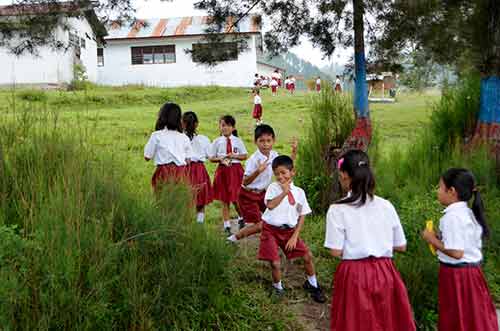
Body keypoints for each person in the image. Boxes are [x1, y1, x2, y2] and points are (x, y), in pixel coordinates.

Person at [325, 150, 416, 331]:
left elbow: (335, 251)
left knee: (355, 323)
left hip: (354, 274)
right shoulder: (386, 205)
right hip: (385, 271)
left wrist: (358, 247)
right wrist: (377, 242)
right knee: (386, 321)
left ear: (344, 175)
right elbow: (401, 245)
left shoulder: (337, 209)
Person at [422, 168, 498, 331]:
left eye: (440, 187)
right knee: (474, 318)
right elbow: (460, 244)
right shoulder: (467, 213)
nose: (438, 191)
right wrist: (440, 238)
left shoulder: (452, 217)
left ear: (452, 191)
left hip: (459, 277)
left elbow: (457, 252)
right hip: (471, 273)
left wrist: (432, 240)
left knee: (459, 318)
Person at [258, 155, 326, 303]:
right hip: (270, 230)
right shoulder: (273, 188)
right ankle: (277, 287)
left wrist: (295, 236)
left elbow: (302, 215)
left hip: (289, 231)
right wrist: (284, 192)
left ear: (292, 172)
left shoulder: (300, 193)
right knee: (275, 263)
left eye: (283, 172)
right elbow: (270, 205)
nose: (280, 176)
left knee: (307, 256)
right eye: (277, 174)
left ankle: (312, 284)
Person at [227, 125, 298, 242]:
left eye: (268, 141)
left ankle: (277, 238)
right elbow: (245, 182)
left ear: (273, 141)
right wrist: (258, 171)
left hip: (263, 194)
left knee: (275, 214)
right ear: (256, 142)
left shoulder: (274, 155)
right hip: (248, 195)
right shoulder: (253, 160)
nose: (265, 144)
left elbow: (287, 166)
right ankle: (233, 238)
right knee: (260, 225)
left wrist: (294, 151)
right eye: (262, 141)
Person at [209, 115, 248, 234]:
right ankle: (227, 226)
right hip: (222, 171)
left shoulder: (237, 141)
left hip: (235, 171)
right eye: (223, 125)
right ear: (219, 127)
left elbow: (245, 155)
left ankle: (241, 217)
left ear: (233, 127)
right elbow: (211, 158)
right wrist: (220, 159)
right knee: (224, 199)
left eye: (228, 125)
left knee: (236, 198)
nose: (225, 128)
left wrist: (234, 156)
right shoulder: (216, 141)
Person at [144, 102, 193, 191]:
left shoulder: (156, 135)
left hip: (163, 173)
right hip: (181, 173)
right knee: (179, 201)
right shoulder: (184, 137)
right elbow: (188, 160)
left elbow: (147, 156)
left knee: (161, 201)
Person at [182, 111, 213, 224]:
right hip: (199, 170)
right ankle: (199, 225)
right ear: (197, 124)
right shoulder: (203, 139)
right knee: (200, 202)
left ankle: (186, 224)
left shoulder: (179, 139)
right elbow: (211, 155)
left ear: (182, 124)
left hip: (184, 169)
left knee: (184, 200)